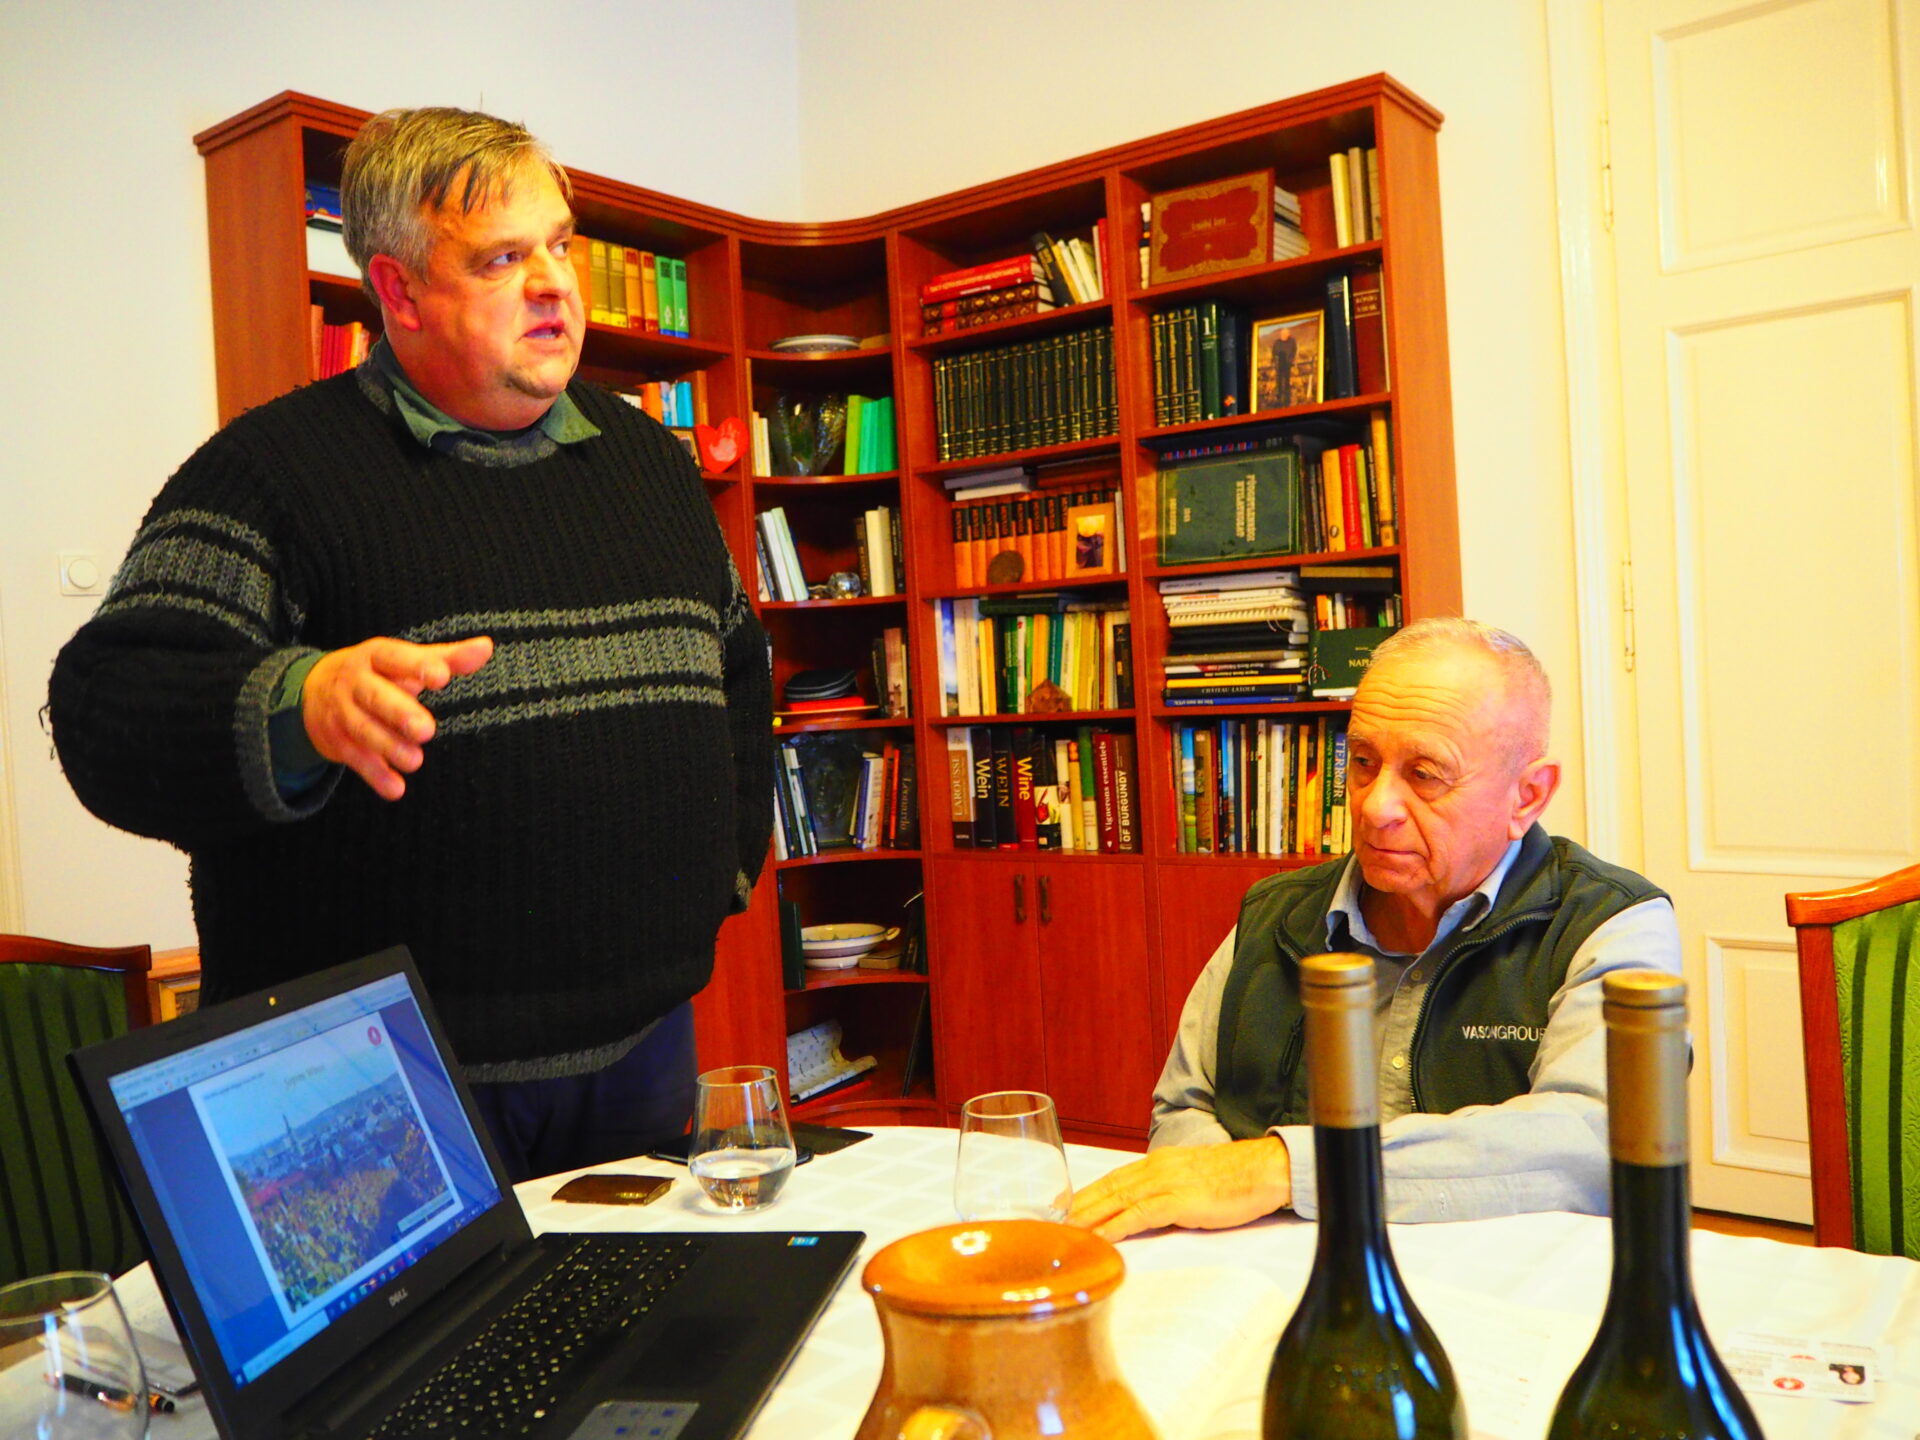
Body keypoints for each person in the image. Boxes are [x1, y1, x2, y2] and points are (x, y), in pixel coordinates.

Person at [49, 106, 771, 1182]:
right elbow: (106, 707)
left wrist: (722, 874)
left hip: (643, 1051)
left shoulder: (650, 463)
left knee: (642, 1296)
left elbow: (738, 673)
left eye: (559, 244)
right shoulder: (271, 473)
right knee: (441, 1310)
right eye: (501, 259)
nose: (554, 284)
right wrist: (298, 704)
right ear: (398, 292)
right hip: (373, 1081)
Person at [1069, 619, 1678, 1238]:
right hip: (1282, 1266)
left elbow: (1592, 1139)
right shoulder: (1276, 914)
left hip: (1505, 1279)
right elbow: (1185, 1109)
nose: (1374, 806)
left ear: (1527, 796)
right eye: (1363, 762)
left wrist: (1285, 1171)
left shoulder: (1610, 922)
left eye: (1425, 774)